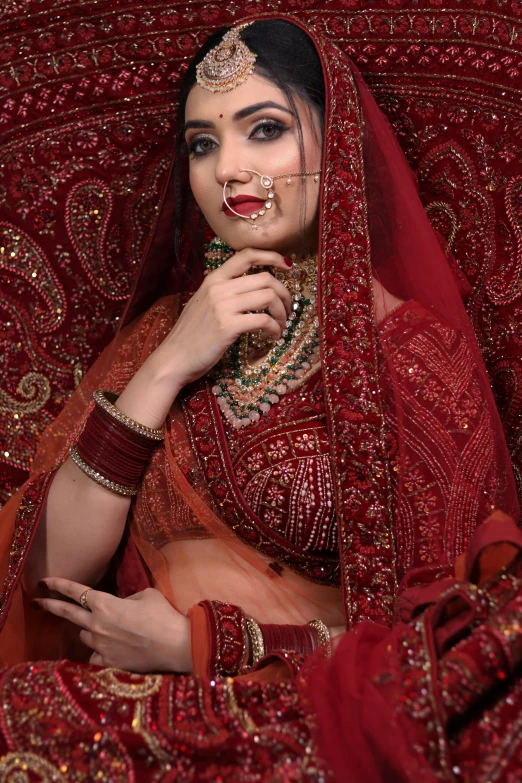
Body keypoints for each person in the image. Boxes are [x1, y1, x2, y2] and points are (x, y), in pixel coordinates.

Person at [0, 16, 519, 782]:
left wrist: (201, 646)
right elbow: (51, 568)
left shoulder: (411, 355)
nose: (230, 170)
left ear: (335, 141)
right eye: (203, 144)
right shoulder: (163, 334)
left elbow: (445, 649)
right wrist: (171, 362)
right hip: (135, 699)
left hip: (302, 718)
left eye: (265, 129)